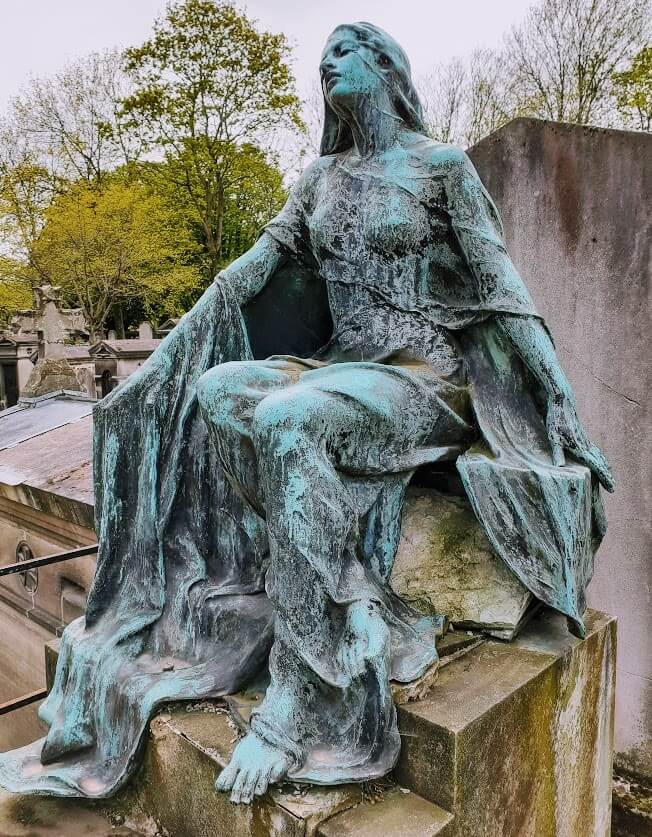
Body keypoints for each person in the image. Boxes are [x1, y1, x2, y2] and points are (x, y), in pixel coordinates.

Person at [0, 22, 612, 806]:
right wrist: (168, 357)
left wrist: (557, 403)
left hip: (425, 377)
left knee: (290, 420)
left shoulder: (440, 168)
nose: (327, 66)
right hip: (339, 368)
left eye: (345, 53)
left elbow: (504, 293)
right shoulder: (319, 177)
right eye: (321, 60)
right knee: (218, 392)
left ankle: (301, 698)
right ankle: (353, 586)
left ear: (388, 69)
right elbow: (251, 268)